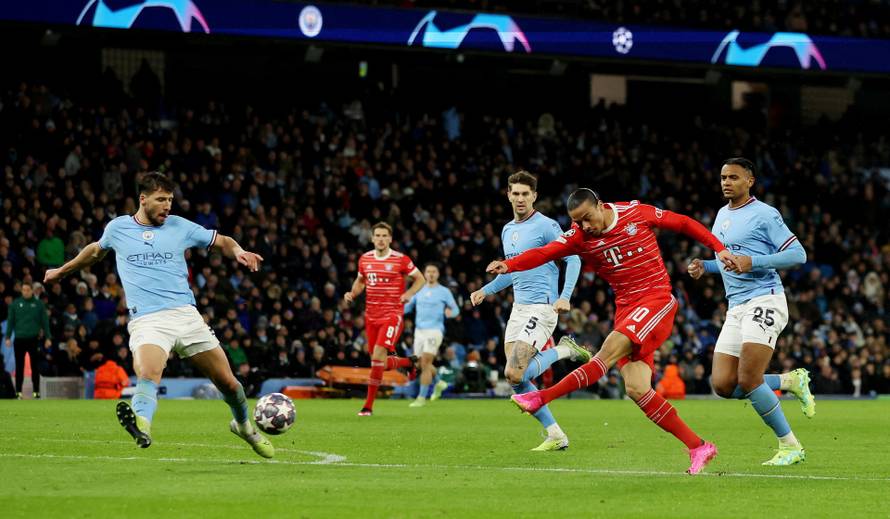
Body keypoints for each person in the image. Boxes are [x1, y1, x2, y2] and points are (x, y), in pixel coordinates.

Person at [489, 187, 735, 474]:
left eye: (586, 219)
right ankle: (699, 446)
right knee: (636, 388)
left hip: (656, 299)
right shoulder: (579, 236)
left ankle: (540, 397)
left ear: (601, 206)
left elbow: (682, 223)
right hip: (627, 309)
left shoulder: (635, 213)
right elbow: (545, 253)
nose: (583, 227)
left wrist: (720, 248)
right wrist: (510, 264)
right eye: (577, 222)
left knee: (605, 352)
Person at [43, 172, 274, 458]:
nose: (168, 206)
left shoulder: (179, 226)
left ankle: (244, 427)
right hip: (148, 321)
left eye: (170, 200)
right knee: (149, 373)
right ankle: (141, 425)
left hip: (186, 316)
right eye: (161, 199)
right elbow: (94, 251)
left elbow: (223, 241)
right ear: (143, 199)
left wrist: (240, 251)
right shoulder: (118, 229)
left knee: (229, 383)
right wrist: (61, 272)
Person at [687, 157, 813, 466]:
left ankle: (790, 446)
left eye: (733, 177)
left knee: (749, 376)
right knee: (724, 384)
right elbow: (731, 261)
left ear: (750, 181)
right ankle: (789, 382)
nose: (726, 182)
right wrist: (707, 266)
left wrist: (754, 262)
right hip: (736, 306)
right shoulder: (720, 215)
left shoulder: (765, 214)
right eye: (723, 177)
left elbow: (798, 254)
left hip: (765, 299)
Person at [470, 170, 589, 451]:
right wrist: (485, 290)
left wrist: (565, 296)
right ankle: (556, 434)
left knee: (514, 372)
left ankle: (565, 350)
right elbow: (512, 272)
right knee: (517, 379)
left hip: (544, 306)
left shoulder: (547, 226)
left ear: (534, 196)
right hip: (518, 308)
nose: (520, 198)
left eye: (526, 193)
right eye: (516, 193)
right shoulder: (508, 230)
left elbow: (573, 259)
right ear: (508, 195)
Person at [344, 221, 425, 416]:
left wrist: (409, 294)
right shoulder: (365, 259)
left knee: (379, 353)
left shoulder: (401, 260)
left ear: (390, 239)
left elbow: (420, 279)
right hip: (371, 316)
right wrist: (352, 294)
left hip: (392, 315)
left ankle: (368, 406)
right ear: (372, 238)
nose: (381, 239)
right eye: (377, 236)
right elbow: (360, 281)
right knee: (377, 361)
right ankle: (407, 363)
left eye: (384, 236)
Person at [404, 263, 459, 407]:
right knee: (420, 364)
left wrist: (450, 313)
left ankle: (421, 398)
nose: (431, 274)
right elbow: (407, 308)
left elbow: (456, 310)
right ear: (424, 273)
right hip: (419, 332)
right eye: (428, 271)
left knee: (426, 362)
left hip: (435, 331)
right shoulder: (419, 290)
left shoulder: (444, 291)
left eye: (434, 271)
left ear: (438, 274)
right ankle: (440, 382)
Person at [4, 282, 51, 399]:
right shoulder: (15, 304)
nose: (25, 292)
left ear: (32, 291)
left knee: (35, 366)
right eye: (23, 290)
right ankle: (18, 392)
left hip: (33, 339)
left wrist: (48, 337)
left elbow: (45, 321)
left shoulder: (39, 304)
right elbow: (10, 322)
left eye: (27, 290)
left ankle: (36, 392)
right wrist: (8, 337)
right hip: (19, 339)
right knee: (19, 366)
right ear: (21, 291)